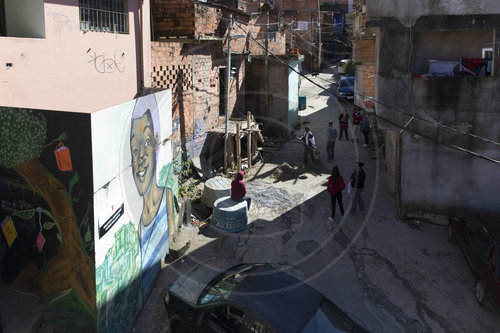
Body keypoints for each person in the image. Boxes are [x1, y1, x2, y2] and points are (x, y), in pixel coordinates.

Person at [130, 95, 174, 297]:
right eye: (134, 148)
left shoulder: (167, 197)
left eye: (146, 141)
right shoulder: (138, 225)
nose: (139, 157)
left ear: (157, 143)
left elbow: (171, 238)